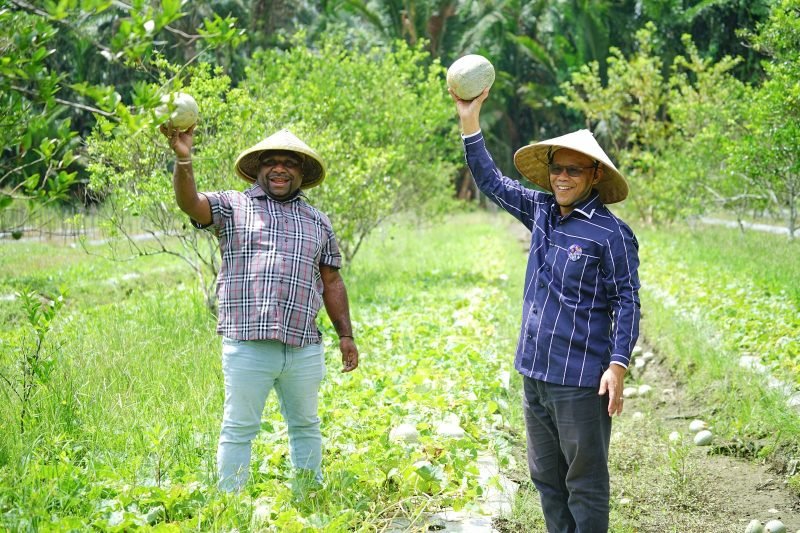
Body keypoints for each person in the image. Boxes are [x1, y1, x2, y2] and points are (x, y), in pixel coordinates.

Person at [451, 87, 640, 532]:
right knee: (546, 478)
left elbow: (627, 300)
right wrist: (469, 119)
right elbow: (492, 182)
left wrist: (618, 364)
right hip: (533, 371)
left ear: (594, 175)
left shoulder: (611, 234)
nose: (562, 177)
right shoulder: (539, 209)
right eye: (557, 168)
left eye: (573, 170)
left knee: (584, 481)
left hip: (578, 380)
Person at [160, 124, 359, 492]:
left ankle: (309, 495)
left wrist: (345, 335)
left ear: (302, 172)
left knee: (306, 426)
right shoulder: (232, 205)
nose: (280, 168)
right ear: (258, 169)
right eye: (271, 162)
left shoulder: (319, 221)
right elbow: (190, 203)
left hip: (303, 345)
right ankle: (230, 504)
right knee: (239, 428)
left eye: (289, 163)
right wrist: (183, 158)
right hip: (248, 343)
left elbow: (332, 281)